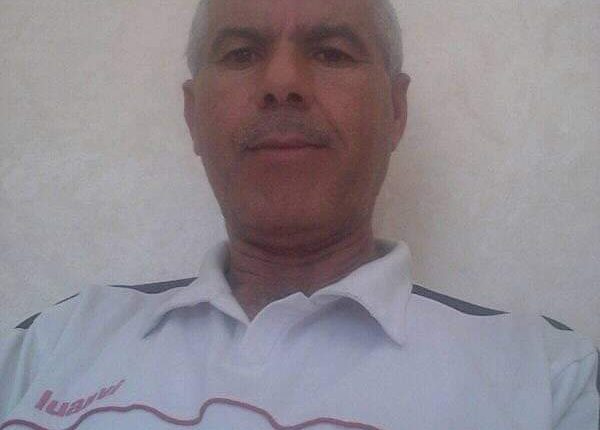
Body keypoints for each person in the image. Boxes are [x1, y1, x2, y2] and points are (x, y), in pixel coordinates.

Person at [0, 0, 598, 428]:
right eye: (240, 53)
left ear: (395, 111)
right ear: (192, 116)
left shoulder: (548, 379)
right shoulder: (52, 345)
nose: (282, 82)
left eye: (332, 52)